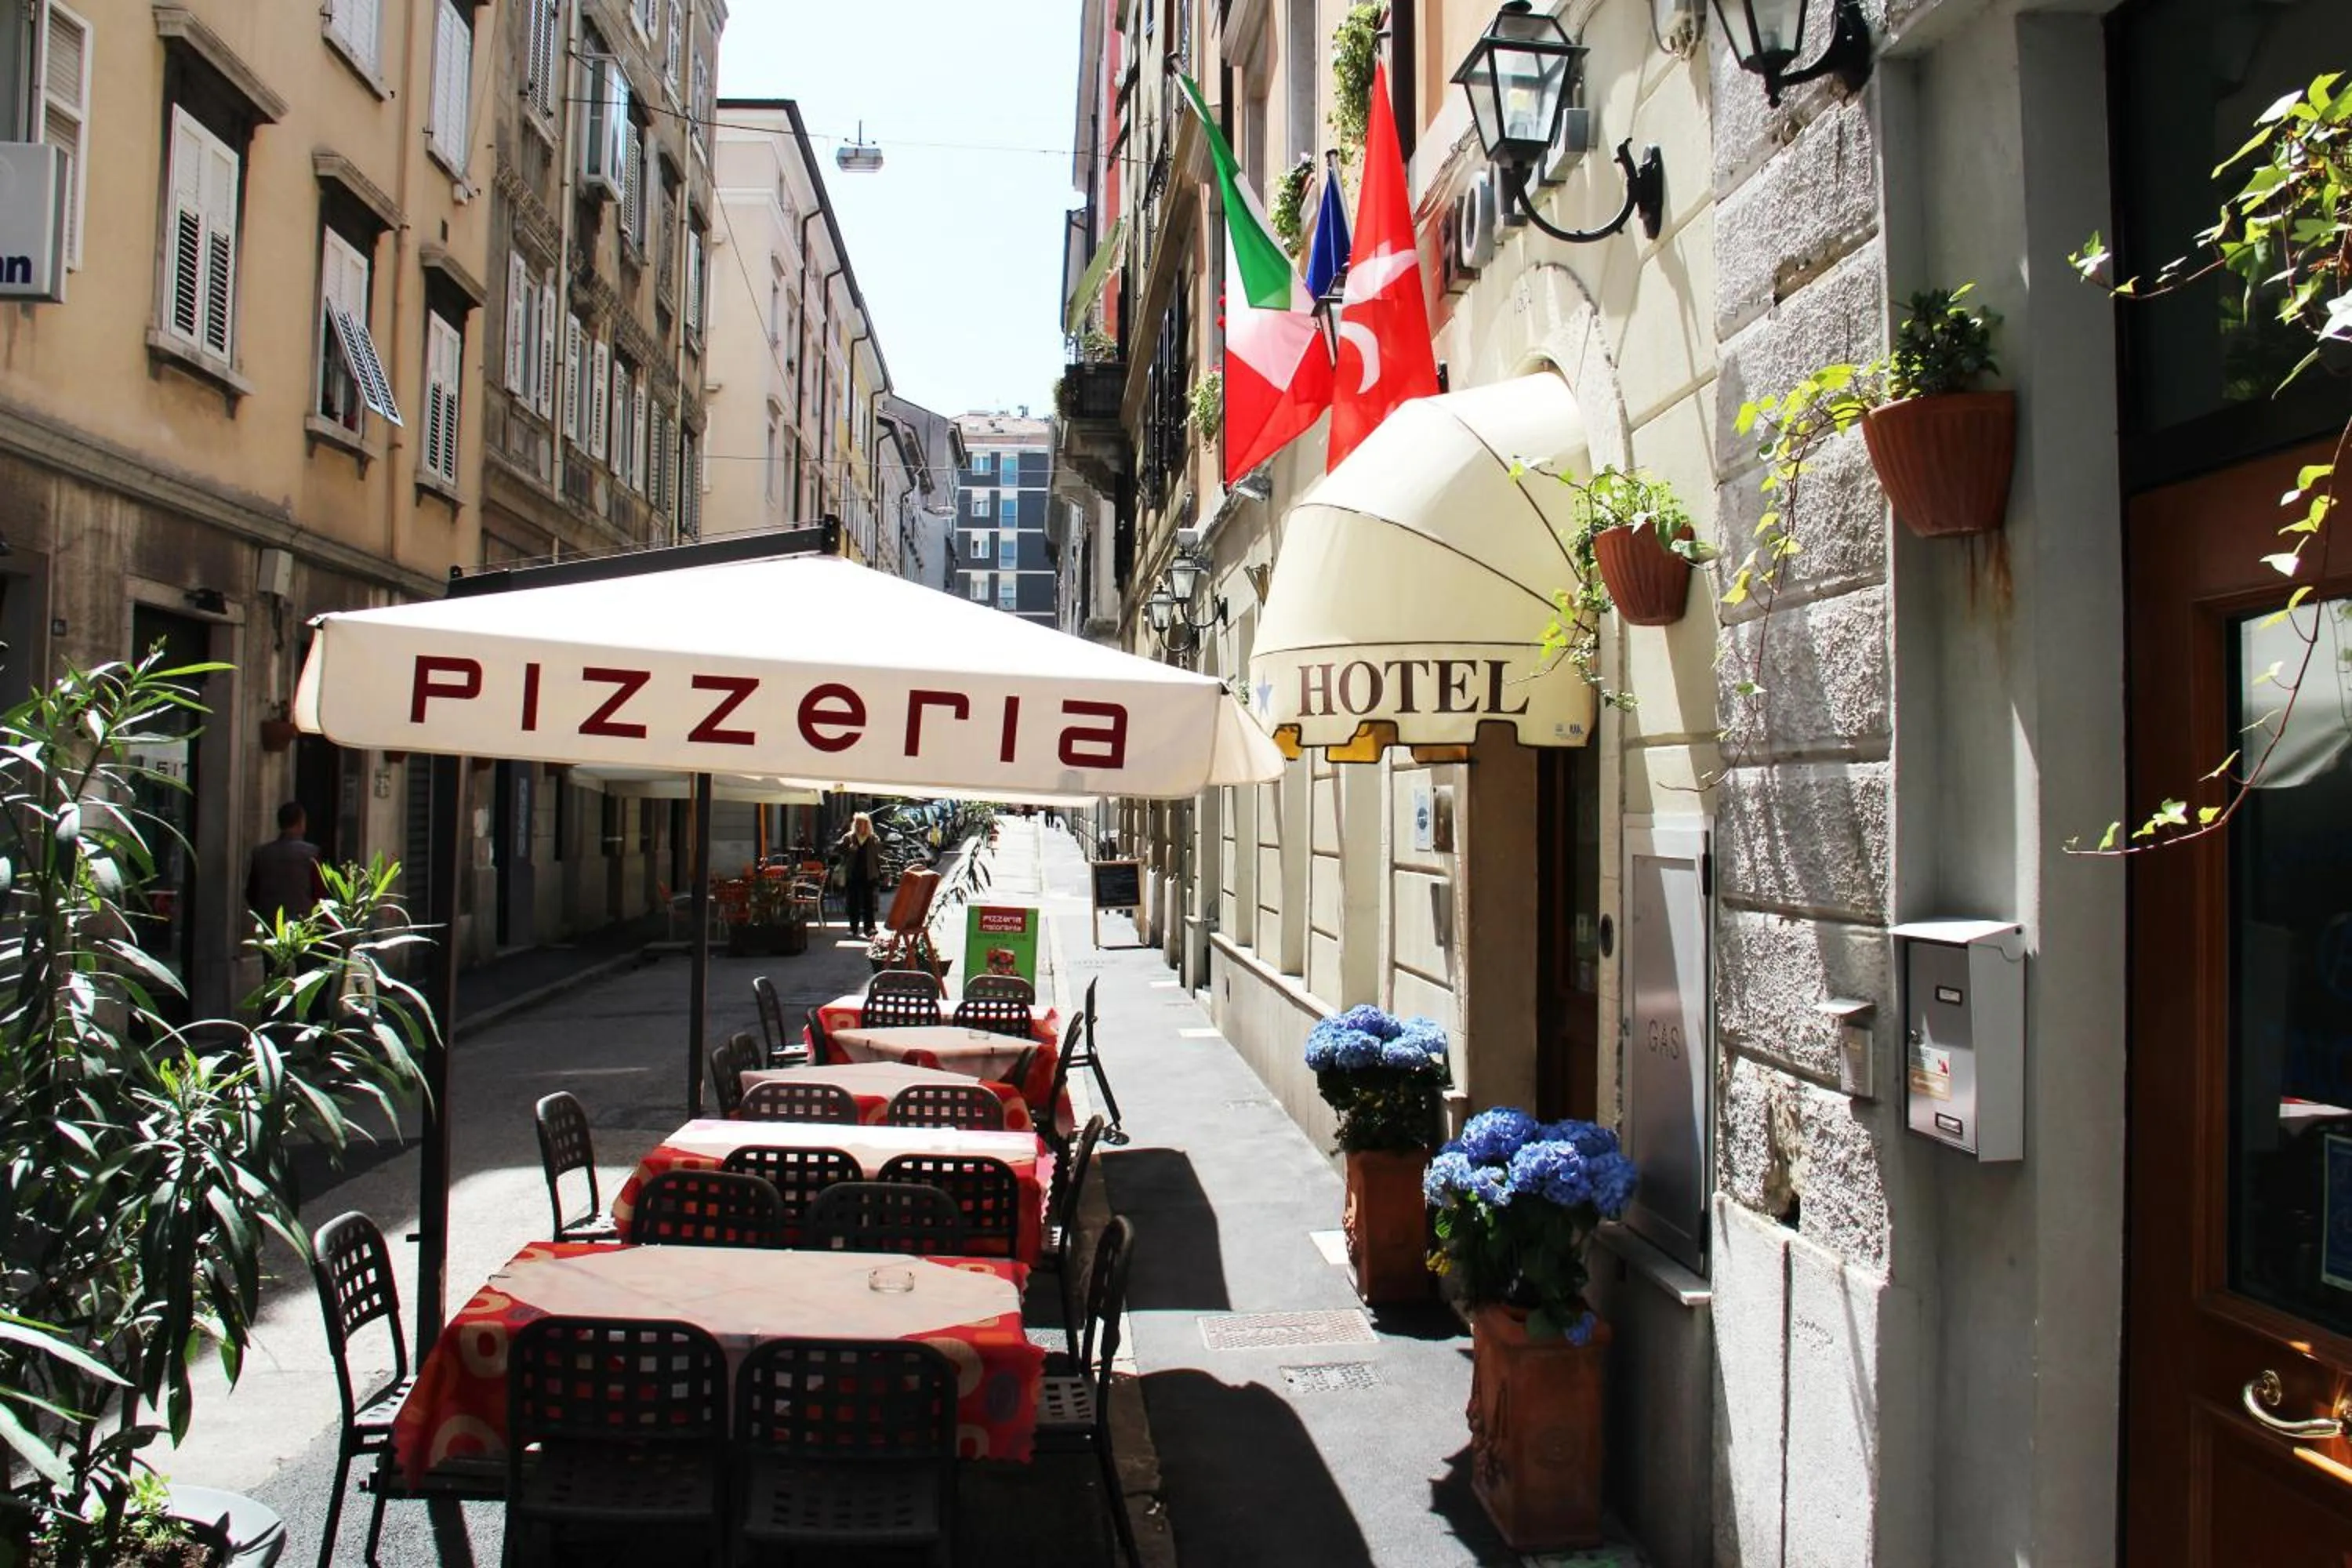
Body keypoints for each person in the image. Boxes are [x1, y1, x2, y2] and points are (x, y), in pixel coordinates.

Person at [246, 801, 326, 924]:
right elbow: (319, 893)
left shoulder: (261, 854)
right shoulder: (311, 854)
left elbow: (251, 893)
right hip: (301, 925)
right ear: (301, 823)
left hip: (270, 922)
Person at [833, 812, 884, 938]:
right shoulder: (849, 837)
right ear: (855, 825)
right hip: (853, 874)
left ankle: (870, 928)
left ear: (868, 825)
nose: (861, 826)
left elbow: (879, 856)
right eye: (859, 823)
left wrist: (881, 872)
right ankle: (853, 928)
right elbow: (837, 849)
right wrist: (848, 850)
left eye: (864, 823)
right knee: (853, 902)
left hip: (869, 874)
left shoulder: (873, 838)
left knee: (869, 902)